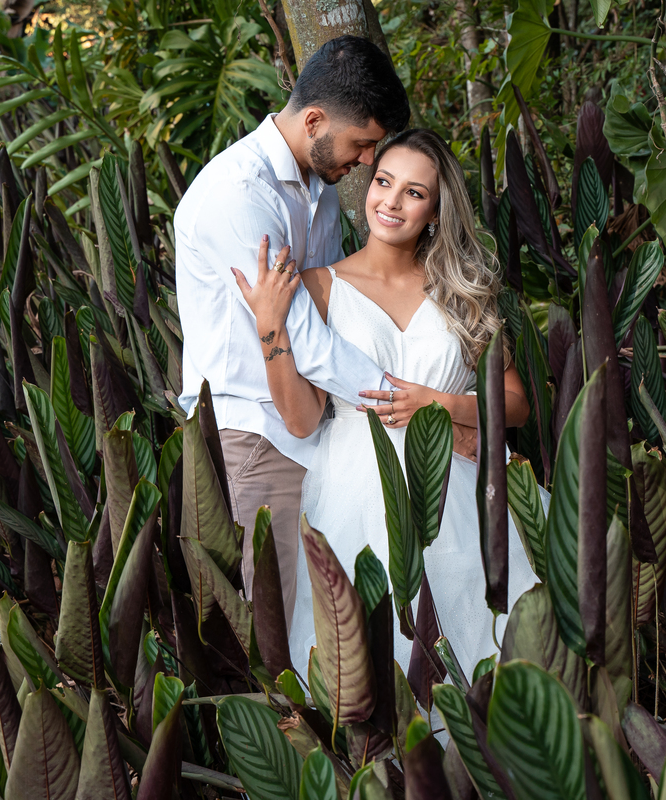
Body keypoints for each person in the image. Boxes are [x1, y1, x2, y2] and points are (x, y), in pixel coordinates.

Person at [175, 37, 473, 638]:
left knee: (346, 634)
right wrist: (415, 407)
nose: (367, 163)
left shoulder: (319, 190)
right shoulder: (240, 196)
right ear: (314, 121)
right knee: (275, 635)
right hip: (258, 438)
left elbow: (342, 313)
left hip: (326, 437)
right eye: (363, 144)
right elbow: (309, 342)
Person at [232, 129, 544, 675]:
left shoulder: (462, 289)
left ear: (437, 211)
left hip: (458, 491)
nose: (391, 202)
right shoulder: (319, 287)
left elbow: (516, 403)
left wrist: (440, 404)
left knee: (482, 641)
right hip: (356, 489)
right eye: (382, 182)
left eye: (414, 192)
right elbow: (303, 420)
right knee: (380, 660)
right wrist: (270, 326)